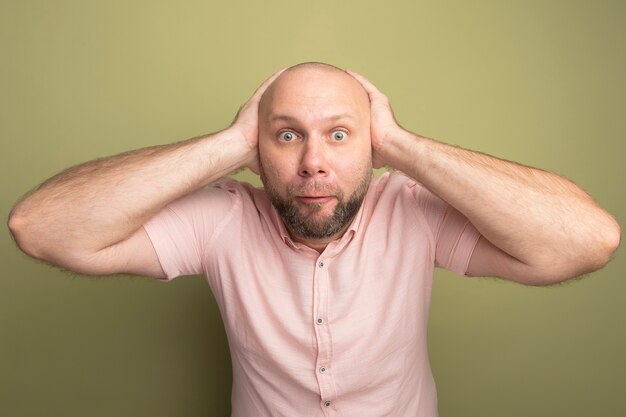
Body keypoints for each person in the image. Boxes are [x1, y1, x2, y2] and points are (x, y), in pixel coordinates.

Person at [8, 62, 621, 416]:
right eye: (286, 136)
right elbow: (39, 229)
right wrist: (228, 142)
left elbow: (587, 241)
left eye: (338, 135)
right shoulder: (221, 220)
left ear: (372, 147)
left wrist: (404, 146)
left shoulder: (411, 209)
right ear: (258, 150)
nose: (312, 164)